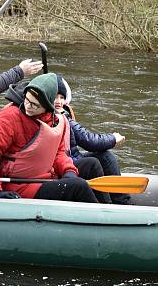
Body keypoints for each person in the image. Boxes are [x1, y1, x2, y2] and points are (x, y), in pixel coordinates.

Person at [0, 72, 99, 203]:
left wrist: (68, 171)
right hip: (18, 185)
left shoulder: (55, 120)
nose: (28, 106)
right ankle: (102, 218)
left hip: (44, 177)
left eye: (35, 105)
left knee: (91, 164)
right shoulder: (9, 118)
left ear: (47, 107)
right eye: (27, 100)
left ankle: (110, 208)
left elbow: (58, 153)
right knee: (78, 187)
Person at [53, 75, 130, 204]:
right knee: (93, 163)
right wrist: (113, 138)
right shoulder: (55, 116)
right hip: (63, 163)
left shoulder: (64, 113)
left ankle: (122, 202)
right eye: (55, 97)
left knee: (106, 157)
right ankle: (108, 206)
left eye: (61, 97)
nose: (59, 102)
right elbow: (89, 141)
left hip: (72, 157)